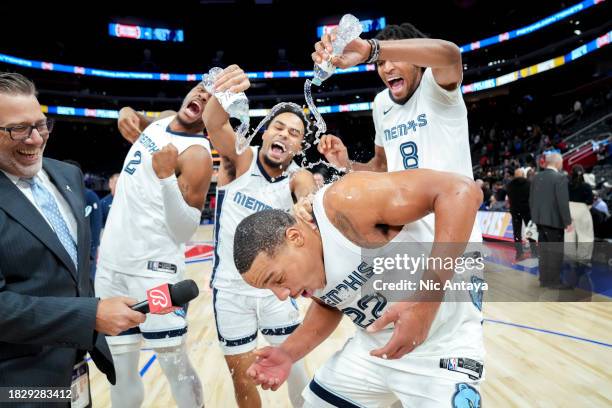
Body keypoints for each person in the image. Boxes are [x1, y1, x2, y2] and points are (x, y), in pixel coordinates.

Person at [233, 169, 484, 407]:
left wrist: (425, 303)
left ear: (296, 238)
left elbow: (460, 191)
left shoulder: (345, 202)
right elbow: (331, 304)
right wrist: (287, 353)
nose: (281, 295)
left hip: (443, 345)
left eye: (277, 279)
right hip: (372, 351)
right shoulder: (307, 270)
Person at [0, 72, 145, 396]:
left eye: (40, 124)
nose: (36, 138)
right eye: (18, 129)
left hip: (75, 367)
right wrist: (90, 315)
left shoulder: (67, 174)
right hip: (17, 380)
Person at [202, 65, 314, 408]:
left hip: (274, 292)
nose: (284, 134)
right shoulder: (240, 158)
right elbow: (213, 123)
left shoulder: (297, 177)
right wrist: (225, 91)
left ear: (298, 145)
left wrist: (310, 203)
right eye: (279, 126)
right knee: (243, 377)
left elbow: (308, 192)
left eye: (294, 132)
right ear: (265, 132)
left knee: (295, 368)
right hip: (230, 292)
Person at [96, 82, 213, 408]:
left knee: (173, 365)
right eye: (202, 88)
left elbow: (186, 229)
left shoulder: (198, 155)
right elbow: (142, 125)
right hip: (111, 267)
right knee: (119, 372)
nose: (203, 95)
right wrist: (126, 112)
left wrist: (164, 178)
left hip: (154, 271)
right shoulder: (162, 122)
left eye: (212, 98)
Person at [312, 22, 482, 245]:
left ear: (418, 61)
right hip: (404, 240)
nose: (387, 68)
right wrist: (346, 164)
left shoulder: (436, 86)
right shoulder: (381, 103)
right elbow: (381, 168)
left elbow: (450, 55)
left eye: (396, 58)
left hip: (453, 237)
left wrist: (372, 50)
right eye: (380, 63)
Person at [529, 153, 573, 289]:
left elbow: (531, 200)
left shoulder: (536, 177)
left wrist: (536, 217)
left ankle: (544, 280)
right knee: (555, 252)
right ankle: (553, 282)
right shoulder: (560, 178)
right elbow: (562, 203)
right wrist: (568, 221)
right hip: (554, 222)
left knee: (544, 251)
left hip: (540, 221)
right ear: (558, 163)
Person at [64, 159, 103, 280]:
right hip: (66, 252)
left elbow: (96, 225)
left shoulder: (89, 195)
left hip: (85, 253)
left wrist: (91, 252)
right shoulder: (58, 193)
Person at [507, 168, 537, 260]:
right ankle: (534, 252)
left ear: (515, 175)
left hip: (515, 211)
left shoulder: (509, 185)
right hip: (527, 210)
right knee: (530, 231)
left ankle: (519, 253)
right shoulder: (529, 184)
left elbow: (509, 198)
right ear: (523, 174)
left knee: (517, 232)